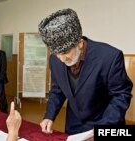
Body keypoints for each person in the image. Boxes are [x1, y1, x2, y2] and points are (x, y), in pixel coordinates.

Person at [38, 8, 133, 136]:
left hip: (105, 123)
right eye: (56, 53)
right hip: (74, 126)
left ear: (80, 43)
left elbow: (121, 95)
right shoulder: (55, 61)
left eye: (65, 52)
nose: (61, 59)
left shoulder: (110, 57)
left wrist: (102, 129)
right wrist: (49, 115)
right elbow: (57, 90)